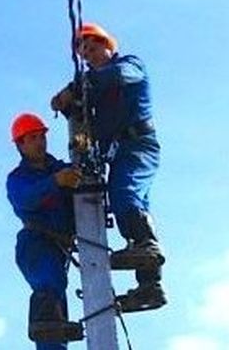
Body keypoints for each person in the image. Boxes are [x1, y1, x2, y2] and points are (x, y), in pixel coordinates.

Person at [51, 22, 166, 312]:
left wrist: (76, 87)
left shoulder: (129, 65)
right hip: (120, 151)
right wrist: (68, 105)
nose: (88, 54)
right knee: (132, 202)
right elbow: (85, 120)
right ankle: (149, 286)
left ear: (107, 44)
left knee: (125, 195)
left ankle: (145, 246)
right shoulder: (94, 91)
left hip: (138, 144)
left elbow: (117, 77)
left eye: (92, 46)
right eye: (83, 51)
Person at [6, 113, 84, 349]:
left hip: (57, 246)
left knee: (57, 302)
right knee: (51, 284)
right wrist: (56, 182)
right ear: (20, 144)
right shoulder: (19, 178)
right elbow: (26, 198)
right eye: (33, 138)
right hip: (35, 243)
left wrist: (82, 152)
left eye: (41, 136)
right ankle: (45, 334)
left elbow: (79, 174)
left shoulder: (58, 168)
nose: (40, 142)